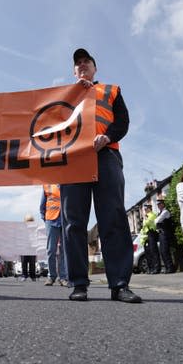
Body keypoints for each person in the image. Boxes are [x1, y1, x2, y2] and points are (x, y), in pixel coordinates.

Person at [61, 48, 141, 303]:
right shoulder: (61, 96)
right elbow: (49, 126)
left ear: (95, 68)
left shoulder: (111, 90)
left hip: (106, 155)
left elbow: (123, 121)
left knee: (113, 219)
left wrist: (108, 136)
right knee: (74, 223)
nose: (82, 64)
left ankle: (119, 284)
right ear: (74, 71)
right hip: (73, 160)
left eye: (87, 61)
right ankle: (79, 283)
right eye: (78, 63)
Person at [40, 184, 68, 286]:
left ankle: (63, 277)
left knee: (63, 251)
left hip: (65, 220)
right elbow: (42, 206)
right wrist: (46, 219)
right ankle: (51, 277)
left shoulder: (67, 182)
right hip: (51, 220)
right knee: (51, 249)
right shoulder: (47, 184)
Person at [155, 199, 176, 273]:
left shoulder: (165, 212)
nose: (158, 206)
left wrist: (156, 220)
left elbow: (157, 221)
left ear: (163, 204)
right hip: (161, 234)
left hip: (165, 233)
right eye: (158, 205)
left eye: (160, 204)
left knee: (165, 251)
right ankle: (167, 267)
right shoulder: (160, 213)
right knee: (162, 251)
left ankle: (170, 268)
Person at [139, 204, 161, 274]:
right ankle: (151, 268)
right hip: (147, 235)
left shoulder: (152, 215)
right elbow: (143, 228)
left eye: (146, 209)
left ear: (149, 209)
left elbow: (146, 223)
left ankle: (157, 268)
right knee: (149, 253)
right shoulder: (147, 216)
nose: (145, 211)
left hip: (152, 233)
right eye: (144, 210)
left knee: (154, 252)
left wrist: (145, 220)